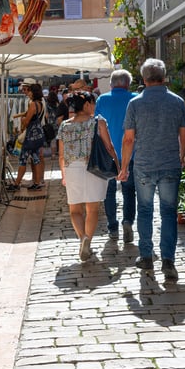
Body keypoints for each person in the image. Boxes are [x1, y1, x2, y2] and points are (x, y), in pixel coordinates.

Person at [118, 58, 185, 283]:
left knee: (145, 210)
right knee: (168, 212)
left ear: (144, 79)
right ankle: (168, 260)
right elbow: (184, 134)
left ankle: (146, 256)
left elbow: (128, 139)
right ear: (164, 77)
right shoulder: (177, 101)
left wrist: (124, 167)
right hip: (169, 163)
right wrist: (181, 156)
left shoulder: (136, 104)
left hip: (144, 165)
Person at [58, 91, 119, 261]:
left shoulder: (64, 126)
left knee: (75, 210)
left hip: (72, 169)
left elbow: (61, 155)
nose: (94, 106)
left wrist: (63, 174)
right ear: (86, 105)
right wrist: (118, 165)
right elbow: (109, 147)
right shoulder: (98, 122)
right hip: (94, 168)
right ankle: (88, 241)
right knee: (92, 210)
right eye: (92, 103)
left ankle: (82, 238)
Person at [95, 70, 138, 243]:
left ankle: (112, 227)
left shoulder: (102, 100)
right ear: (128, 84)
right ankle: (128, 221)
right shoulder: (135, 98)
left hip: (108, 153)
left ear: (111, 84)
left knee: (109, 191)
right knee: (129, 190)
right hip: (132, 153)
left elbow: (97, 125)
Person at [8, 83, 45, 191]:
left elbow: (27, 121)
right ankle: (37, 183)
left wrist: (22, 122)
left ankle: (16, 183)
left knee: (23, 159)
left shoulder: (33, 104)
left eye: (29, 91)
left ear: (33, 92)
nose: (28, 93)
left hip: (30, 136)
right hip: (38, 135)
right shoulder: (40, 104)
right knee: (36, 158)